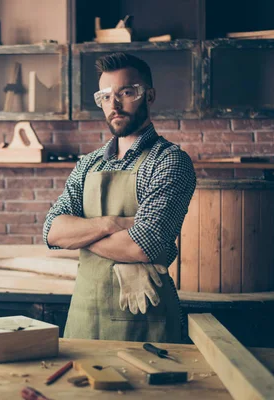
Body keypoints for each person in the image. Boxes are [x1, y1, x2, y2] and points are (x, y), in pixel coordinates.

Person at [43, 52, 196, 343]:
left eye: (126, 92)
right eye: (105, 96)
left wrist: (82, 236)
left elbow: (143, 246)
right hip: (83, 322)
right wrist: (113, 223)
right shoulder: (88, 164)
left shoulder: (169, 161)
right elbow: (53, 231)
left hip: (145, 327)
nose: (114, 104)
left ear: (149, 96)